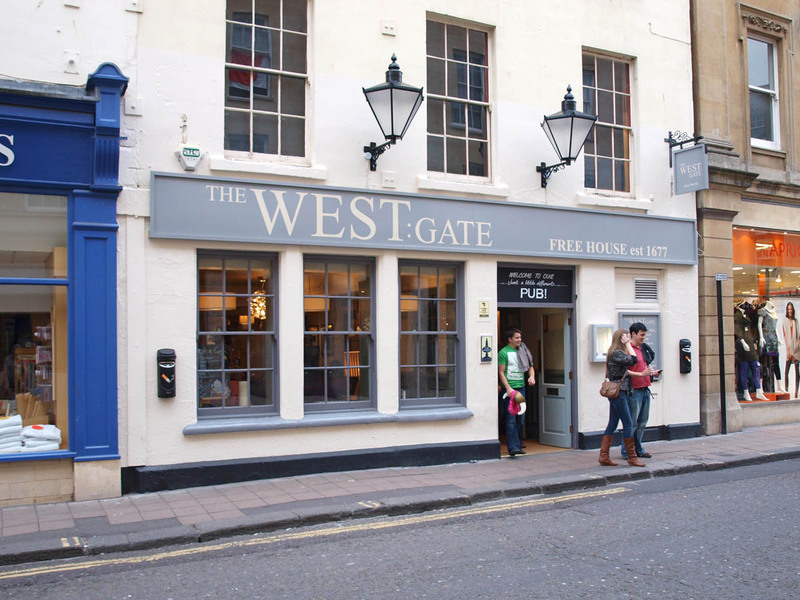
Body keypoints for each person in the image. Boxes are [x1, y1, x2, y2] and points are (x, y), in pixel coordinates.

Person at [598, 328, 649, 467]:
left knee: (613, 423)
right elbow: (634, 360)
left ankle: (604, 456)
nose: (628, 340)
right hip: (619, 392)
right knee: (628, 423)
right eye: (626, 337)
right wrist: (628, 344)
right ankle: (631, 457)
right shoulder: (616, 353)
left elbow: (625, 372)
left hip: (619, 392)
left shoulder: (616, 353)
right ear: (621, 339)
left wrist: (642, 374)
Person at [622, 322, 659, 460]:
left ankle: (638, 449)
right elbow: (624, 371)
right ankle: (627, 451)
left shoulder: (642, 349)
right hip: (633, 390)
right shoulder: (627, 349)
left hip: (645, 389)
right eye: (641, 335)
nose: (644, 337)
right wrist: (642, 374)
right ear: (633, 334)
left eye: (645, 335)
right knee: (632, 423)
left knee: (642, 423)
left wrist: (652, 373)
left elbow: (643, 367)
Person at [498, 326, 535, 457]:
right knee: (511, 418)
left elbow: (530, 366)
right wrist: (508, 388)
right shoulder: (503, 353)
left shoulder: (523, 351)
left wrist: (532, 377)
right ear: (510, 339)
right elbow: (501, 372)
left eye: (520, 337)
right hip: (510, 390)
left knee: (520, 418)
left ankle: (518, 445)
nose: (520, 340)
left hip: (521, 388)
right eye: (517, 338)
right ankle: (512, 447)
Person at [782, 302, 800, 397]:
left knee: (797, 372)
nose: (790, 311)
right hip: (789, 347)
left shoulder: (796, 321)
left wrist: (797, 344)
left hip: (796, 348)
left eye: (791, 309)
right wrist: (788, 349)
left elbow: (799, 335)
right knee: (786, 371)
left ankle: (796, 392)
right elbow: (785, 335)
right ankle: (786, 390)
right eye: (788, 309)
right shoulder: (785, 321)